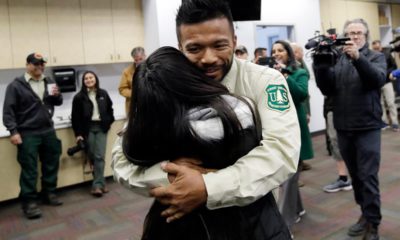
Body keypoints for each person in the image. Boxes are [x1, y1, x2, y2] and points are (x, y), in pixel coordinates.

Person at [113, 0, 300, 238]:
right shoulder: (167, 84)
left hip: (254, 219)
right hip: (190, 224)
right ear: (180, 47)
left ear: (234, 40)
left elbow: (281, 152)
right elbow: (121, 158)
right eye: (195, 48)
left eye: (219, 45)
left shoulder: (264, 81)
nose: (208, 58)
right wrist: (170, 176)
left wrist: (208, 187)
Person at [314, 18, 386, 240]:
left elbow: (377, 79)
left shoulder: (376, 56)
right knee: (355, 176)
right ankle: (364, 213)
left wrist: (358, 58)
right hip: (344, 126)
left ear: (365, 35)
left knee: (368, 177)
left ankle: (373, 223)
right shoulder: (338, 59)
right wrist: (320, 65)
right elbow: (326, 88)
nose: (354, 37)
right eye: (350, 33)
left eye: (358, 33)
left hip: (368, 127)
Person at [3, 53, 63, 219]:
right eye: (36, 64)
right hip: (28, 133)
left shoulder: (48, 81)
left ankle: (48, 193)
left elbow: (58, 102)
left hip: (48, 130)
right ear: (28, 65)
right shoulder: (16, 85)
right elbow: (8, 112)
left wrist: (57, 95)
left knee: (51, 163)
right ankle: (29, 202)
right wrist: (13, 131)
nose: (40, 67)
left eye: (42, 64)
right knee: (30, 169)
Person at [271, 40, 313, 234]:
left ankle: (284, 225)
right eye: (274, 51)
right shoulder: (270, 73)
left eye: (280, 50)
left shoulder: (299, 73)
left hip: (294, 130)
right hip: (278, 129)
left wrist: (285, 75)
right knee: (290, 174)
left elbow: (301, 94)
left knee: (287, 177)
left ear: (288, 53)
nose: (276, 53)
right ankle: (298, 209)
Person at [71, 71, 114, 197]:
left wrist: (108, 122)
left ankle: (96, 186)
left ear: (95, 79)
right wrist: (78, 134)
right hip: (87, 128)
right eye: (86, 78)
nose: (89, 80)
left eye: (91, 77)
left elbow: (110, 110)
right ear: (83, 82)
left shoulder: (103, 94)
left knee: (99, 155)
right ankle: (102, 182)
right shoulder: (79, 97)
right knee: (92, 156)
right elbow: (75, 118)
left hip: (101, 128)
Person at [322, 96, 353, 193]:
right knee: (335, 142)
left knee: (355, 140)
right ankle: (343, 178)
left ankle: (359, 177)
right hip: (333, 107)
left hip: (353, 106)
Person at [291, 42, 312, 172]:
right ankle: (295, 169)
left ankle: (301, 162)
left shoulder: (301, 67)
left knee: (301, 137)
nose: (302, 54)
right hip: (293, 107)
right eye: (299, 52)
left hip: (302, 103)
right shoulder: (287, 68)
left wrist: (307, 111)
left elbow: (307, 77)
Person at [371, 40, 399, 131]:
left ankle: (395, 123)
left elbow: (394, 66)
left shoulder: (387, 54)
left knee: (391, 103)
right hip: (376, 84)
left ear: (381, 47)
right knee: (380, 104)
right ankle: (384, 122)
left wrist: (387, 73)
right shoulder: (371, 56)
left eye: (377, 48)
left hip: (387, 82)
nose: (376, 50)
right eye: (374, 49)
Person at [118, 46, 146, 116]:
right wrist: (135, 93)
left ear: (145, 56)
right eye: (136, 60)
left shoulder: (153, 68)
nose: (139, 62)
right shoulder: (127, 71)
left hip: (150, 103)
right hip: (134, 106)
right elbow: (122, 89)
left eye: (141, 59)